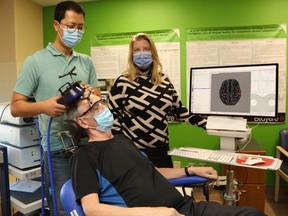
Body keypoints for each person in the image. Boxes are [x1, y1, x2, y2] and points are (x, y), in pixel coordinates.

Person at [66, 93, 266, 216]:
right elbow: (92, 210)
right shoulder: (84, 157)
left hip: (185, 208)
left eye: (100, 102)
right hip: (156, 215)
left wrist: (190, 170)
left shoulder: (122, 140)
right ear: (83, 122)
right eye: (94, 108)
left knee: (253, 214)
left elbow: (153, 172)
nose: (102, 108)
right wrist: (155, 213)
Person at [10, 1, 100, 215]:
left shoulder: (86, 62)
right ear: (56, 25)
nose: (76, 32)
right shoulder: (35, 62)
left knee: (90, 204)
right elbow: (15, 107)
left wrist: (89, 95)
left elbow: (97, 97)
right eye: (71, 26)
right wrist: (43, 106)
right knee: (62, 208)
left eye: (80, 27)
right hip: (56, 149)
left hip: (88, 144)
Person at [108, 32, 206, 168]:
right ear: (131, 54)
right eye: (137, 50)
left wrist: (209, 124)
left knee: (164, 188)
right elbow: (112, 118)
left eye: (146, 49)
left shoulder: (164, 80)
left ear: (153, 52)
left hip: (161, 152)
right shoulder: (122, 82)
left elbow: (181, 112)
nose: (142, 53)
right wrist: (120, 148)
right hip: (132, 153)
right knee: (137, 189)